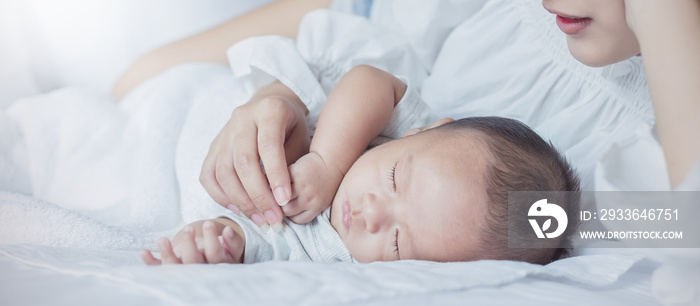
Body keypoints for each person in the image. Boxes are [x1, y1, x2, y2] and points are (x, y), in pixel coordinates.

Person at [115, 0, 699, 230]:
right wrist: (284, 94)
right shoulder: (523, 16)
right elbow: (379, 53)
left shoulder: (659, 138)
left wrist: (666, 17)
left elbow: (679, 228)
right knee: (135, 84)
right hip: (355, 25)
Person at [140, 65, 580, 265]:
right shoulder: (394, 131)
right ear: (423, 132)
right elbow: (370, 80)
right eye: (393, 180)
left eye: (396, 243)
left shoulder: (331, 255)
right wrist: (328, 162)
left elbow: (264, 238)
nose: (371, 213)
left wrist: (222, 240)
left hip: (180, 168)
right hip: (211, 95)